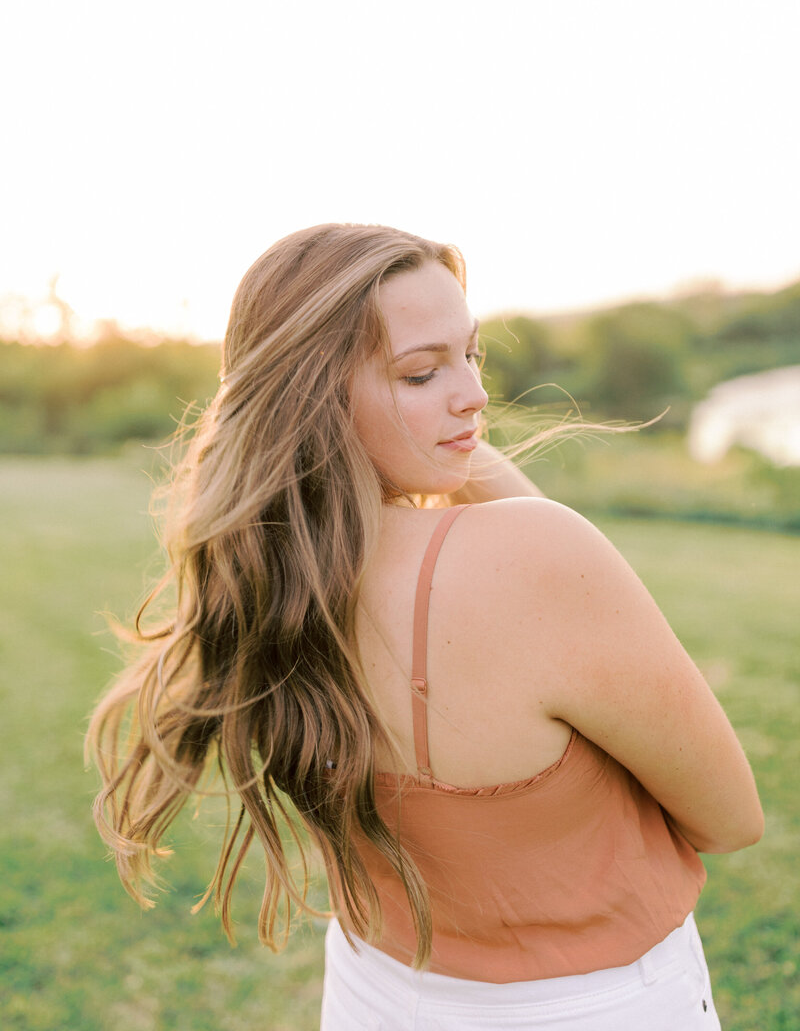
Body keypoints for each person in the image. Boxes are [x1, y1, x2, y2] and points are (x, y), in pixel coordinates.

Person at [87, 223, 764, 1031]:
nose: (474, 395)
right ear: (312, 401)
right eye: (420, 371)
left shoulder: (266, 573)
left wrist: (430, 426)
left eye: (471, 355)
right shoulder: (537, 560)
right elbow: (731, 821)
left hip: (376, 991)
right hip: (598, 1006)